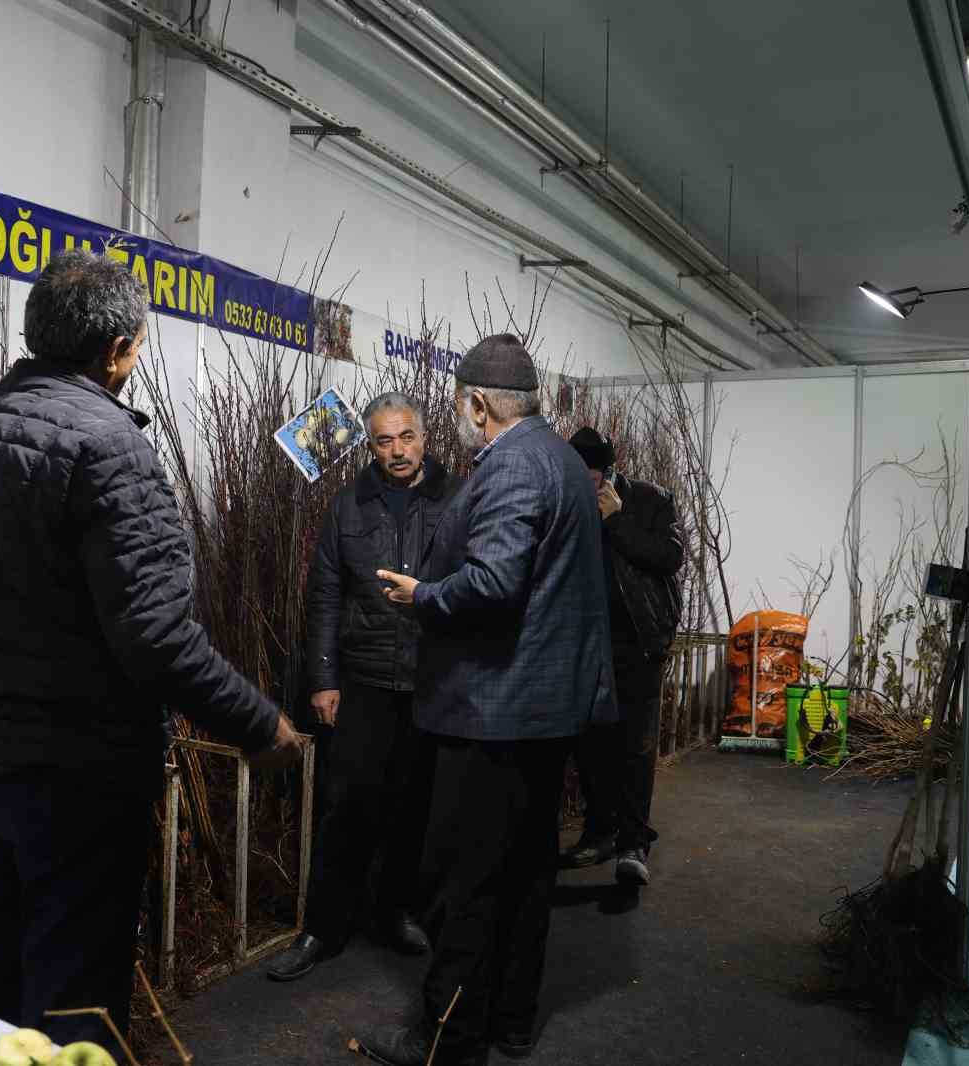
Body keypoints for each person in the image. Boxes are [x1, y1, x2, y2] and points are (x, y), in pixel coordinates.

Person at [0, 251, 301, 1057]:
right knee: (74, 991)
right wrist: (256, 723)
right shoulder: (109, 446)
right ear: (119, 350)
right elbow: (156, 633)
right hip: (74, 777)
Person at [357, 334, 615, 1066]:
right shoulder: (561, 459)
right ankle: (511, 1019)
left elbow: (495, 583)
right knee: (526, 872)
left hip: (493, 713)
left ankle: (446, 1038)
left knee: (466, 881)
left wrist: (423, 595)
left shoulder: (512, 465)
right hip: (542, 711)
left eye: (456, 405)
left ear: (477, 403)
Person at [268, 392, 457, 982]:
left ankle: (395, 913)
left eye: (406, 436)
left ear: (424, 437)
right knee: (347, 806)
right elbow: (325, 594)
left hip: (433, 679)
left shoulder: (459, 499)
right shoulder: (348, 503)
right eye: (383, 440)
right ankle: (322, 929)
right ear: (370, 445)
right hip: (364, 678)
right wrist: (324, 679)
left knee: (414, 806)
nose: (397, 450)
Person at [559, 427, 682, 889]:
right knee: (590, 746)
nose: (587, 485)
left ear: (609, 472)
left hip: (637, 642)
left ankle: (633, 843)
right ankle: (599, 832)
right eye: (579, 478)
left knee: (635, 747)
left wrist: (616, 520)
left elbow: (669, 556)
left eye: (593, 478)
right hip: (585, 644)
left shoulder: (650, 500)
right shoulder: (567, 502)